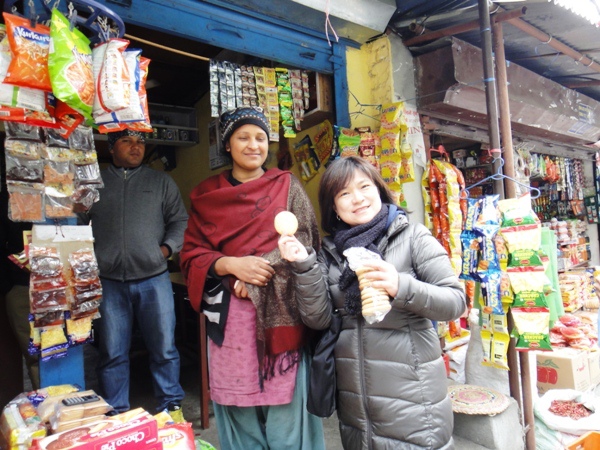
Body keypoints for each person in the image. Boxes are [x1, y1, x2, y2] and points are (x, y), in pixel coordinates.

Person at [278, 156, 466, 449]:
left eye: (364, 187)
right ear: (334, 207)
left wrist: (400, 286)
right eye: (344, 193)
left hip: (413, 403)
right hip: (357, 410)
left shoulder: (412, 236)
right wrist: (304, 266)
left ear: (378, 189)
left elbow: (455, 301)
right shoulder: (331, 254)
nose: (358, 198)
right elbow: (319, 319)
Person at [179, 106, 325, 450]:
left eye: (260, 137)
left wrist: (261, 269)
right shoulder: (206, 196)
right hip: (231, 318)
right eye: (243, 137)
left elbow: (306, 240)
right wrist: (231, 264)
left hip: (280, 312)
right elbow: (191, 255)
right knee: (238, 404)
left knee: (286, 407)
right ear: (227, 145)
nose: (253, 145)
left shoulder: (286, 184)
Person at [83, 129, 188, 420]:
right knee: (113, 353)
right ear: (111, 147)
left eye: (140, 142)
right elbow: (77, 223)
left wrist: (166, 250)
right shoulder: (94, 183)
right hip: (108, 282)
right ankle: (116, 411)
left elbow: (179, 220)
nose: (136, 147)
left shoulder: (160, 182)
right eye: (127, 141)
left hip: (154, 279)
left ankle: (170, 407)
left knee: (164, 348)